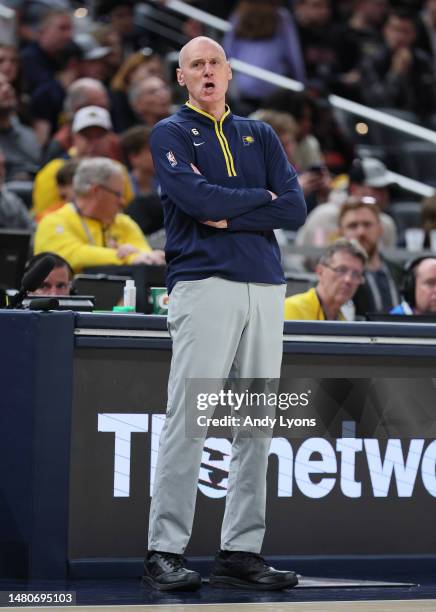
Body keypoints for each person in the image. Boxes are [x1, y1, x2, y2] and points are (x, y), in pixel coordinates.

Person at [143, 36, 306, 592]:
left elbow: (296, 206)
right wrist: (257, 202)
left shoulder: (259, 133)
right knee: (190, 419)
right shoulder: (169, 132)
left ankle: (240, 550)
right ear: (182, 78)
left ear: (229, 72)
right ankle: (164, 549)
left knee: (255, 425)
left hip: (265, 286)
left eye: (215, 62)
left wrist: (234, 210)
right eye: (196, 65)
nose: (207, 71)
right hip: (203, 282)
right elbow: (199, 201)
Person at [34, 157, 165, 273]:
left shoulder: (124, 222)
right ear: (96, 191)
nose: (123, 201)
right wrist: (125, 257)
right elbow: (72, 255)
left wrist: (139, 256)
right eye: (118, 194)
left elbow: (146, 257)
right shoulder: (53, 222)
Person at [32, 105, 133, 217]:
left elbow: (127, 212)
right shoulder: (54, 170)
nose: (94, 142)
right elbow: (44, 215)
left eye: (100, 135)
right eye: (86, 135)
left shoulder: (118, 170)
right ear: (74, 136)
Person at [339, 197, 401, 315]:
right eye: (353, 226)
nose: (361, 232)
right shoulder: (337, 276)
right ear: (341, 232)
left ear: (380, 229)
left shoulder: (400, 273)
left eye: (367, 224)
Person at [284, 238, 367, 320]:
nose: (348, 280)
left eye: (356, 274)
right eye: (341, 270)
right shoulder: (291, 309)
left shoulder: (344, 321)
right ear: (320, 272)